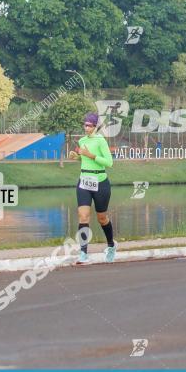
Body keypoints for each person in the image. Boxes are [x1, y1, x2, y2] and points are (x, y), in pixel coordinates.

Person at [69, 112, 117, 265]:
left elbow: (109, 163)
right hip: (84, 181)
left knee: (102, 218)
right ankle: (83, 252)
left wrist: (90, 155)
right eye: (85, 125)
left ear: (95, 127)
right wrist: (76, 157)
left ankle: (111, 246)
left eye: (89, 125)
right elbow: (83, 159)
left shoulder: (100, 141)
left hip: (100, 182)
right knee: (83, 216)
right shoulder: (82, 140)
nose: (86, 127)